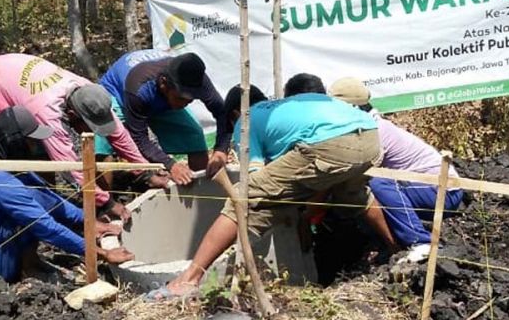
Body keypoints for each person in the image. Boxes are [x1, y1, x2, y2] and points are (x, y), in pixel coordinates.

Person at [159, 88, 382, 299]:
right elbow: (296, 180)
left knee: (243, 198)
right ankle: (397, 250)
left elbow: (256, 181)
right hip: (370, 136)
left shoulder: (244, 122)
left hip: (331, 143)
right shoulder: (282, 111)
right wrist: (302, 218)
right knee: (352, 196)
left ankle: (188, 279)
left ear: (235, 113)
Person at [0, 53, 166, 220]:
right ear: (73, 115)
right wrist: (108, 203)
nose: (94, 132)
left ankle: (46, 205)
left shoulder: (87, 91)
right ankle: (6, 216)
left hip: (12, 77)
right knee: (0, 165)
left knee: (41, 155)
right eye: (90, 126)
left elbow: (119, 135)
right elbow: (69, 167)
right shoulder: (47, 110)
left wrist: (145, 172)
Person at [0, 106, 134, 292]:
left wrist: (88, 222)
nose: (36, 147)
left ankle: (30, 265)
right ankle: (23, 273)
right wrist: (103, 254)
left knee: (32, 200)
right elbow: (47, 227)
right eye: (31, 141)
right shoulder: (2, 185)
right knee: (29, 217)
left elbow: (48, 199)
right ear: (16, 143)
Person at [328, 77, 464, 263]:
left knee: (374, 182)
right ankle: (389, 243)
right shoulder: (368, 125)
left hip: (442, 193)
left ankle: (421, 242)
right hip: (426, 189)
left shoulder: (373, 131)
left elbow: (360, 171)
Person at [97, 51, 230, 185]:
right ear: (163, 84)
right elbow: (139, 137)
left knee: (193, 135)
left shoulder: (195, 78)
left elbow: (222, 113)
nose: (185, 104)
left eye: (191, 100)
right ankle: (105, 202)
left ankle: (204, 190)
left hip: (159, 98)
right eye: (182, 98)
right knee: (104, 139)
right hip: (117, 92)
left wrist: (221, 149)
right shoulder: (138, 88)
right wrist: (170, 165)